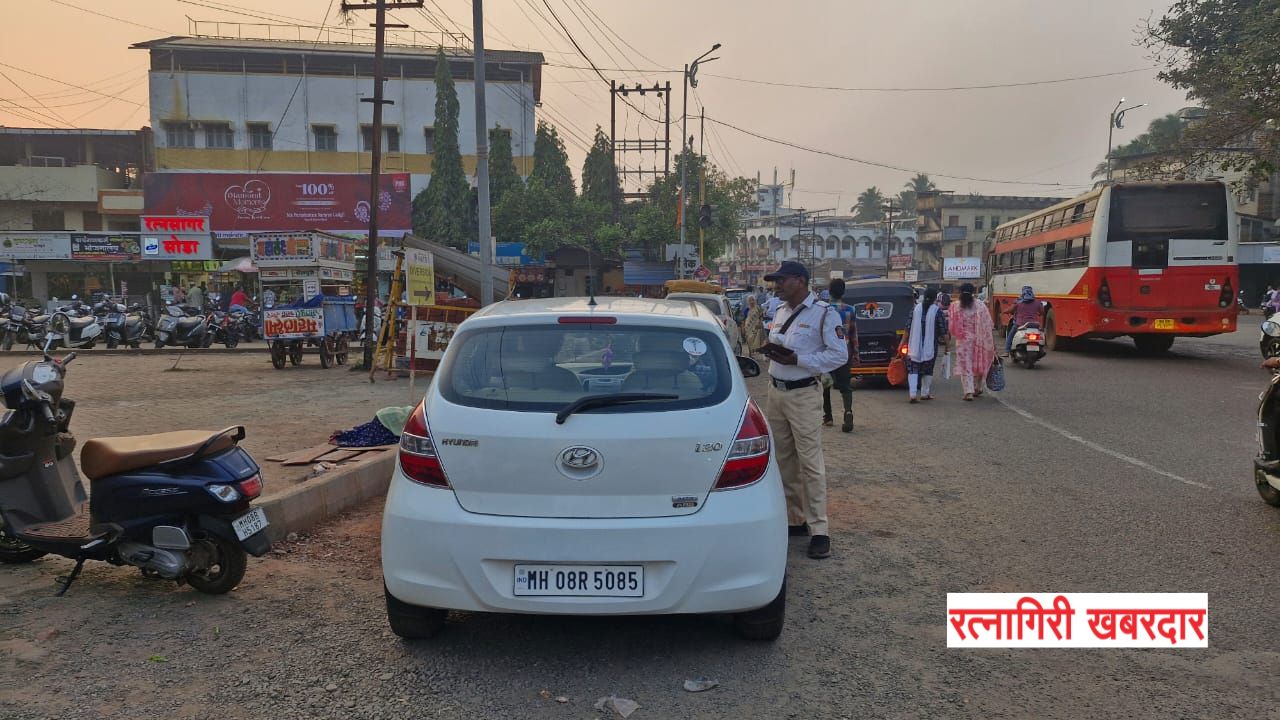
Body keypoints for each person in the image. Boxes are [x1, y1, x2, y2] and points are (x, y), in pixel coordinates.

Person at [760, 261, 848, 559]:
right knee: (783, 461)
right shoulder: (779, 311)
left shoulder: (824, 313)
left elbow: (839, 355)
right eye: (775, 281)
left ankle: (819, 529)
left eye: (781, 280)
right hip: (776, 392)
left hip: (803, 394)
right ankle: (794, 518)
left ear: (800, 280)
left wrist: (799, 360)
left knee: (810, 463)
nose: (776, 286)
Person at [948, 282, 997, 401]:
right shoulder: (980, 305)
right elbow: (988, 324)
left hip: (963, 341)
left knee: (966, 366)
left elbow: (952, 326)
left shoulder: (955, 306)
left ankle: (968, 392)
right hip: (979, 340)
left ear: (960, 292)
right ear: (973, 292)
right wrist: (991, 342)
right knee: (978, 363)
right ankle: (978, 387)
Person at [821, 278, 857, 433]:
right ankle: (848, 411)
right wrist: (856, 353)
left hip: (827, 352)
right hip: (844, 352)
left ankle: (828, 417)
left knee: (825, 385)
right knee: (845, 387)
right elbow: (853, 334)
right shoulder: (850, 310)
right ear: (843, 292)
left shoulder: (823, 310)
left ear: (829, 291)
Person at [906, 288, 948, 403]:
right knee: (928, 370)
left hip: (914, 346)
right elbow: (944, 331)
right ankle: (925, 393)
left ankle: (913, 394)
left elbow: (907, 328)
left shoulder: (915, 309)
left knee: (913, 369)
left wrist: (902, 343)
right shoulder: (937, 311)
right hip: (931, 347)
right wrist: (947, 346)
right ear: (935, 298)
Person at [1005, 285, 1042, 355]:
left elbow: (1011, 310)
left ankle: (1007, 351)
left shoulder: (1018, 302)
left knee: (1011, 334)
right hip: (1034, 325)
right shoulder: (1037, 302)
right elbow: (1042, 312)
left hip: (1020, 324)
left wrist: (1004, 312)